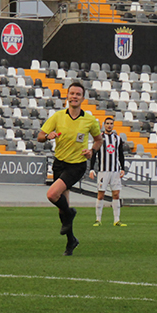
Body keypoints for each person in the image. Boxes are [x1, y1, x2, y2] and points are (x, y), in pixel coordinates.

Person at [37, 81, 103, 256]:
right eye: (72, 93)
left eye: (78, 94)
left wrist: (91, 151)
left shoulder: (89, 120)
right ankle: (71, 241)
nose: (74, 96)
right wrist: (48, 136)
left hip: (76, 165)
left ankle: (70, 212)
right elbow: (40, 137)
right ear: (67, 96)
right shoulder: (58, 116)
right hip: (59, 163)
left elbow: (98, 140)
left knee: (52, 194)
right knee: (61, 208)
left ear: (83, 98)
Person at [88, 116, 127, 227]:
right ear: (104, 125)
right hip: (103, 171)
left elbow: (120, 155)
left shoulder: (117, 138)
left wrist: (122, 168)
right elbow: (94, 154)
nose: (109, 125)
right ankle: (98, 219)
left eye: (111, 123)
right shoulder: (100, 138)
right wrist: (91, 169)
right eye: (107, 123)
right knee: (101, 195)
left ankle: (116, 220)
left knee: (116, 194)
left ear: (113, 125)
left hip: (115, 171)